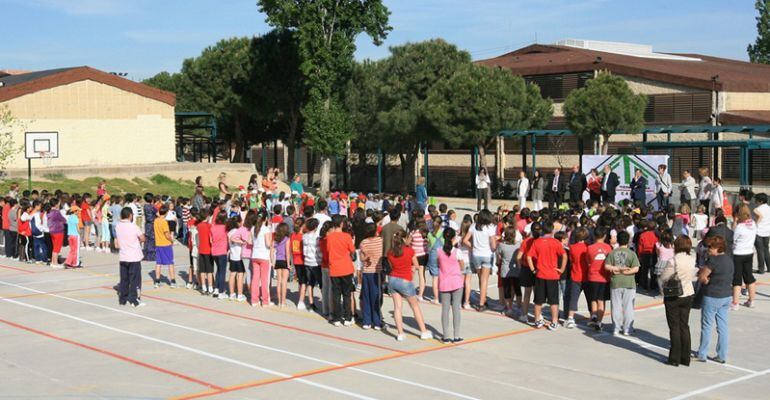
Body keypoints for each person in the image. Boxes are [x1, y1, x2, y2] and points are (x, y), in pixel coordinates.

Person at [386, 230, 432, 341]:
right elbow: (416, 265)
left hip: (392, 279)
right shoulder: (409, 251)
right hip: (405, 280)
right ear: (404, 239)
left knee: (397, 307)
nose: (410, 239)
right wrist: (411, 269)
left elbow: (391, 266)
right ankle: (423, 331)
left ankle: (400, 333)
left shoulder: (390, 252)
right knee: (415, 306)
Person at [660, 236, 696, 367]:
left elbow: (664, 276)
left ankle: (674, 358)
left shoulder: (673, 260)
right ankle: (685, 357)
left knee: (674, 327)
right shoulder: (692, 259)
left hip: (674, 295)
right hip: (688, 292)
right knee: (684, 325)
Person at [696, 235, 734, 364]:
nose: (708, 250)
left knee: (706, 325)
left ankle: (702, 353)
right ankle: (721, 355)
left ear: (718, 248)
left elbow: (702, 276)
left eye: (710, 247)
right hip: (726, 295)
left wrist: (705, 279)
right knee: (722, 326)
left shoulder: (713, 261)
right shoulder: (729, 260)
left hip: (712, 295)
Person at [527, 222, 567, 330]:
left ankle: (537, 320)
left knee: (538, 300)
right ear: (552, 230)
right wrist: (562, 269)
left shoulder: (537, 242)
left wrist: (533, 270)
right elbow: (564, 255)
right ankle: (554, 321)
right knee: (553, 301)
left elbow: (529, 256)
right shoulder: (556, 242)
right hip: (553, 275)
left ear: (542, 230)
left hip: (540, 274)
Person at [605, 231, 640, 335]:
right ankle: (627, 328)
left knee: (615, 306)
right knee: (628, 306)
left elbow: (606, 266)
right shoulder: (632, 253)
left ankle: (616, 328)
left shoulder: (612, 252)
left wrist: (617, 269)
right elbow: (636, 268)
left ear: (617, 240)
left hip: (616, 282)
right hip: (629, 283)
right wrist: (626, 271)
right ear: (628, 240)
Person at [463, 209, 497, 312]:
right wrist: (493, 249)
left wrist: (472, 246)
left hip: (476, 255)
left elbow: (465, 240)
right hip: (486, 254)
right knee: (484, 280)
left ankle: (483, 298)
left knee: (480, 277)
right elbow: (493, 243)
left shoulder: (474, 226)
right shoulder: (490, 227)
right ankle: (482, 303)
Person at [326, 215, 356, 326]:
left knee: (336, 294)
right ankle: (348, 318)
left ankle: (337, 318)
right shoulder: (347, 236)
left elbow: (329, 250)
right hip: (346, 268)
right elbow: (352, 250)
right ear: (342, 224)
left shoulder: (329, 237)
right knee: (347, 294)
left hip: (334, 268)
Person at [115, 207, 146, 308]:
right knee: (135, 279)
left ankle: (122, 299)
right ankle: (134, 300)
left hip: (123, 256)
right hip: (134, 257)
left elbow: (117, 241)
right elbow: (142, 238)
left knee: (124, 279)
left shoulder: (118, 226)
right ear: (130, 215)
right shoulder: (133, 226)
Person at [437, 228, 464, 343]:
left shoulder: (439, 251)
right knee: (456, 308)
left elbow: (438, 263)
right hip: (456, 282)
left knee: (445, 309)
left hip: (444, 282)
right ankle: (456, 335)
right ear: (454, 238)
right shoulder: (457, 252)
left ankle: (446, 336)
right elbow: (462, 266)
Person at [732, 204, 757, 310]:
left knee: (737, 278)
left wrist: (734, 222)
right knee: (749, 277)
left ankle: (735, 303)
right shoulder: (753, 224)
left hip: (738, 253)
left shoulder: (739, 227)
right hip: (749, 252)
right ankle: (751, 301)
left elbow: (733, 239)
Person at [586, 226, 612, 331]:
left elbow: (588, 262)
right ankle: (599, 322)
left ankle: (594, 315)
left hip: (592, 276)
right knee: (601, 300)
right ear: (605, 236)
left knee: (593, 299)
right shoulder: (608, 248)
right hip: (604, 278)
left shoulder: (590, 248)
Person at [359, 223, 383, 330]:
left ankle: (366, 321)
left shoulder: (363, 243)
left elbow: (361, 258)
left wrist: (366, 258)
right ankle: (377, 322)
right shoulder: (380, 241)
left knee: (366, 297)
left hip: (366, 271)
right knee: (375, 298)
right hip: (376, 272)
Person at [251, 213, 273, 307]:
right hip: (264, 256)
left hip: (255, 255)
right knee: (264, 279)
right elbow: (268, 244)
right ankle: (265, 301)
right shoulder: (265, 229)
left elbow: (250, 242)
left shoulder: (253, 228)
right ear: (265, 219)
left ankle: (254, 300)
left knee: (255, 278)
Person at [153, 205, 176, 288]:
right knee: (170, 262)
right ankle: (173, 281)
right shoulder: (164, 222)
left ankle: (157, 280)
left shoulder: (156, 221)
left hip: (158, 244)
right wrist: (172, 240)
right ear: (166, 213)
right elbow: (167, 234)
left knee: (158, 263)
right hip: (166, 244)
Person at [226, 216, 247, 302]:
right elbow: (236, 240)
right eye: (241, 221)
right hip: (239, 256)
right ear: (238, 223)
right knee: (240, 275)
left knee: (232, 274)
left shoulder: (229, 232)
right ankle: (240, 294)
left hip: (232, 255)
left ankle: (231, 294)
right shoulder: (238, 231)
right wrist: (243, 242)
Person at [753, 193, 770, 274]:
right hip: (767, 232)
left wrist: (755, 224)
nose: (755, 201)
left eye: (756, 199)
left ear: (760, 201)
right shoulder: (769, 208)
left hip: (758, 231)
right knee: (766, 249)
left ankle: (761, 269)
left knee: (760, 251)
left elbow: (760, 217)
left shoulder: (757, 209)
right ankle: (769, 267)